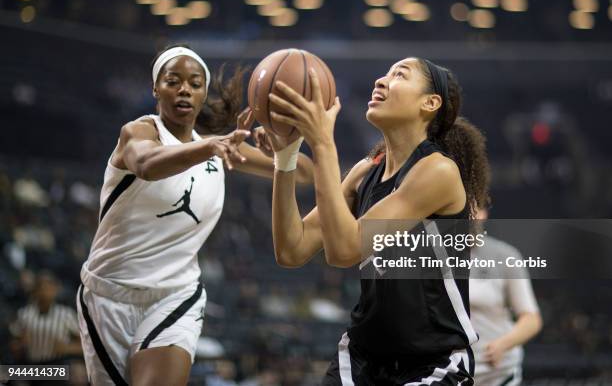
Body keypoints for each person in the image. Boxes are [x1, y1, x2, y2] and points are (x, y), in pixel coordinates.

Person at [76, 44, 312, 386]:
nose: (184, 88)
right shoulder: (140, 132)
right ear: (156, 89)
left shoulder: (219, 147)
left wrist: (281, 145)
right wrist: (209, 146)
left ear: (202, 93)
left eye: (195, 82)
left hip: (176, 295)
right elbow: (146, 164)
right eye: (173, 81)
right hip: (109, 295)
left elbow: (303, 172)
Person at [266, 58, 490, 385]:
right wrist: (284, 158)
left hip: (432, 362)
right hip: (363, 357)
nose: (380, 81)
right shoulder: (365, 172)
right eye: (384, 73)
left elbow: (344, 250)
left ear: (430, 103)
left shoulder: (437, 172)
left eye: (399, 75)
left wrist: (323, 142)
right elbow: (291, 249)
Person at [470, 208, 542, 386]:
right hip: (450, 373)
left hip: (497, 373)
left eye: (474, 209)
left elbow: (531, 318)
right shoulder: (431, 256)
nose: (469, 216)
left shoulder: (505, 256)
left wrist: (503, 344)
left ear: (484, 212)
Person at [10, 270, 82, 382]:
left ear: (56, 290)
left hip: (57, 365)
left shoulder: (65, 314)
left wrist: (68, 348)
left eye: (49, 287)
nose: (45, 291)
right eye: (41, 287)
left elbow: (85, 344)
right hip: (31, 365)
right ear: (35, 291)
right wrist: (19, 345)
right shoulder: (24, 314)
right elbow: (14, 344)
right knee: (8, 373)